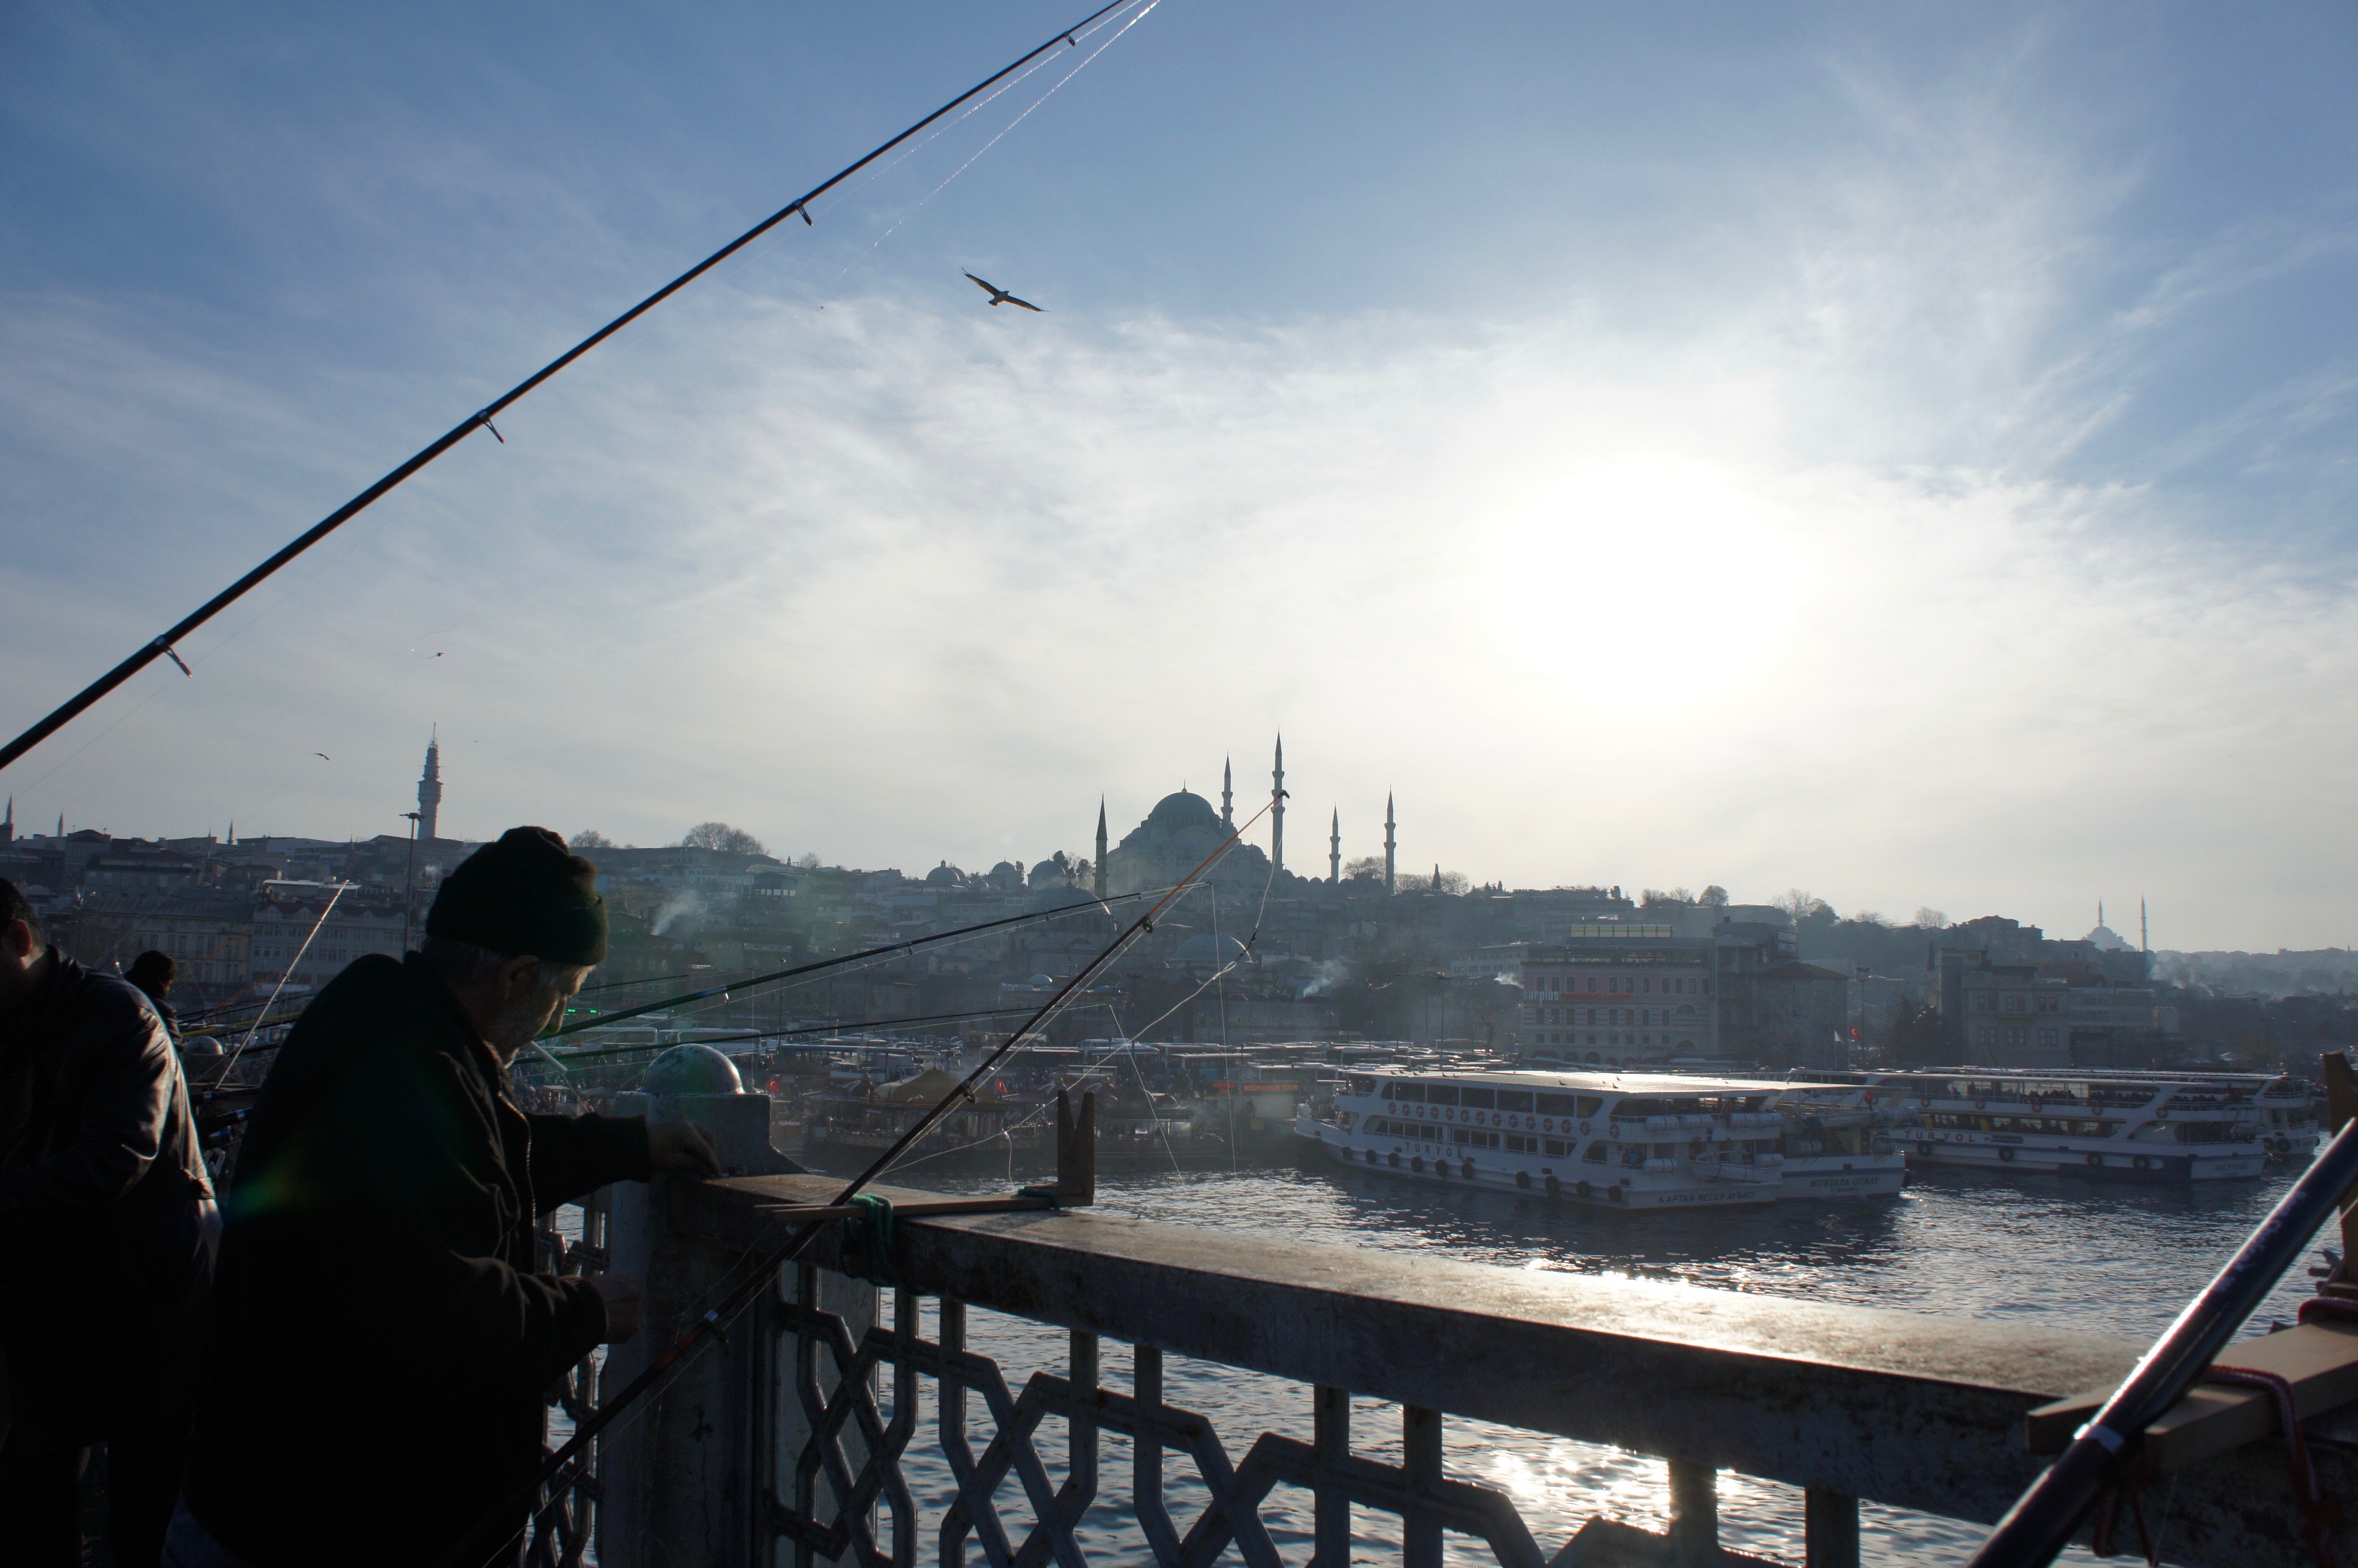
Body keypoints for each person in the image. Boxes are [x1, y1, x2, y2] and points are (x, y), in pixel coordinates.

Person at [174, 827, 720, 1567]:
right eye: (563, 994)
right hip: (324, 1524)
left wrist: (625, 1146)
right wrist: (587, 1308)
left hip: (278, 1499)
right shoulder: (405, 1069)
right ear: (515, 976)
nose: (558, 1019)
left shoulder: (387, 1020)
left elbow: (467, 1168)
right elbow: (437, 1314)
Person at [0, 878, 217, 1567]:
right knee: (39, 1498)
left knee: (140, 1512)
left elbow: (116, 1157)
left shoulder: (121, 1017)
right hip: (62, 1301)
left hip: (150, 1302)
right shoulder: (19, 1019)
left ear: (19, 940)